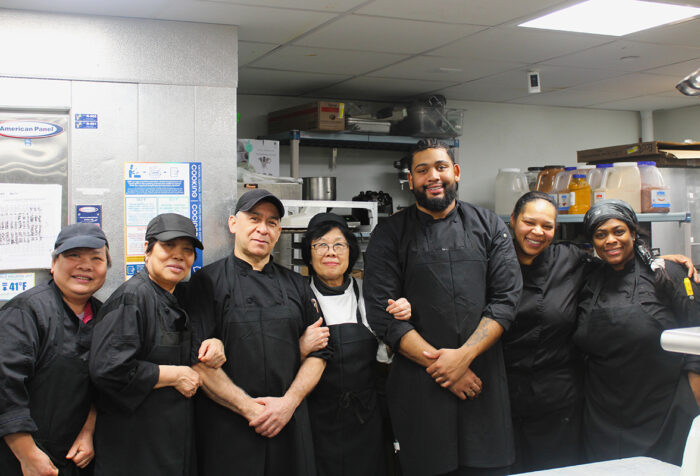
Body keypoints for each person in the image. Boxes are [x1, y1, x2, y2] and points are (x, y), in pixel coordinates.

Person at [363, 138, 522, 476]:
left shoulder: (490, 226)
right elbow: (382, 315)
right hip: (421, 388)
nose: (432, 176)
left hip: (482, 383)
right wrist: (446, 369)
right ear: (411, 179)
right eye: (422, 170)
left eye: (440, 167)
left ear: (457, 172)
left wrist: (462, 359)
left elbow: (506, 301)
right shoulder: (389, 234)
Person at [185, 189, 332, 476]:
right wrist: (250, 409)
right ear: (233, 223)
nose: (262, 229)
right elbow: (196, 360)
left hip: (288, 422)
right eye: (254, 218)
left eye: (272, 222)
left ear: (279, 231)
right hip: (228, 426)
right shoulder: (206, 283)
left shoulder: (297, 285)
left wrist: (288, 404)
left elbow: (321, 353)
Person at [89, 213, 225, 475]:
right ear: (147, 251)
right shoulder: (132, 298)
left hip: (170, 441)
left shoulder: (178, 296)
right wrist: (174, 374)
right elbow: (108, 369)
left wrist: (215, 342)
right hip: (135, 449)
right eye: (168, 246)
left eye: (187, 250)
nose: (178, 256)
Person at [574, 199, 700, 465]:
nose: (610, 240)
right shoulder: (588, 277)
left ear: (633, 232)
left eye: (618, 231)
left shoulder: (670, 274)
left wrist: (689, 401)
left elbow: (697, 340)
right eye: (600, 234)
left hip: (664, 410)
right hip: (602, 414)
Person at [298, 212, 411, 476]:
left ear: (350, 252)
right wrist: (301, 347)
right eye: (321, 245)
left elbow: (390, 353)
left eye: (339, 244)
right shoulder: (296, 296)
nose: (331, 252)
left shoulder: (369, 294)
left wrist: (403, 313)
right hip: (316, 418)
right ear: (309, 253)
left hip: (366, 419)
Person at [0, 223, 110, 476]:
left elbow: (102, 382)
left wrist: (88, 431)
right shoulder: (26, 312)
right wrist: (28, 455)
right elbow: (6, 386)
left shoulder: (105, 316)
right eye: (74, 256)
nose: (86, 265)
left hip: (74, 457)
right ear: (53, 263)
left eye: (97, 258)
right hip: (19, 458)